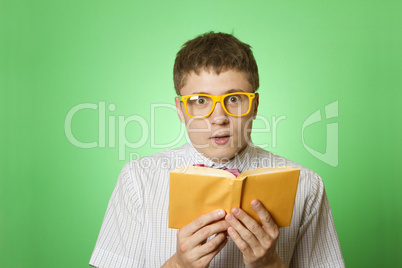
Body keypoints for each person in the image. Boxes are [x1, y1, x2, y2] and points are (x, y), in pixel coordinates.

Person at [89, 32, 345, 268]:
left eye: (233, 99)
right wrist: (178, 265)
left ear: (254, 106)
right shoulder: (138, 180)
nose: (219, 118)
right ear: (180, 110)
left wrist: (270, 265)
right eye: (200, 101)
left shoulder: (306, 185)